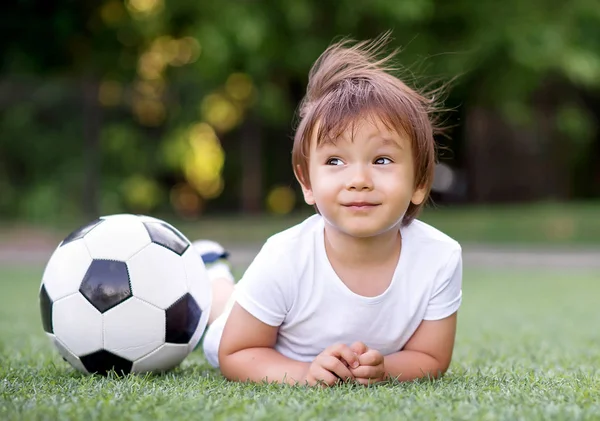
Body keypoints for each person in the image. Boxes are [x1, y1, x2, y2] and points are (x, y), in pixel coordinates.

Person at [194, 33, 462, 387]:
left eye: (381, 159)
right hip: (267, 346)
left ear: (420, 183)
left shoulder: (440, 257)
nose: (359, 179)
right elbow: (238, 353)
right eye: (335, 160)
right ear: (307, 183)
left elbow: (430, 358)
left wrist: (385, 371)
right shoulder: (285, 256)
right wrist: (304, 373)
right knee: (220, 311)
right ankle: (212, 272)